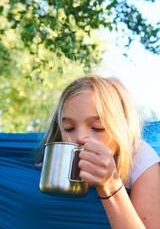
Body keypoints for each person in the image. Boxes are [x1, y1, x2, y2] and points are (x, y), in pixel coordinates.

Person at [36, 75, 160, 229]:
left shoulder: (141, 158)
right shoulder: (54, 157)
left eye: (97, 127)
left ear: (121, 129)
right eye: (69, 128)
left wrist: (110, 183)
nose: (80, 138)